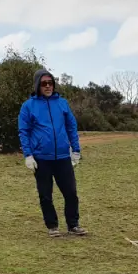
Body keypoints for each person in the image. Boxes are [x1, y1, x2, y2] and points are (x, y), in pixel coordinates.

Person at [18, 68, 86, 237]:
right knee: (45, 195)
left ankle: (73, 224)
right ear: (37, 85)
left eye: (50, 83)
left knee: (70, 192)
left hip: (63, 156)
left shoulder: (62, 103)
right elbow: (23, 131)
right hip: (41, 158)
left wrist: (76, 150)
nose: (48, 86)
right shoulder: (28, 106)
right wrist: (28, 155)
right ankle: (52, 226)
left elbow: (71, 126)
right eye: (44, 83)